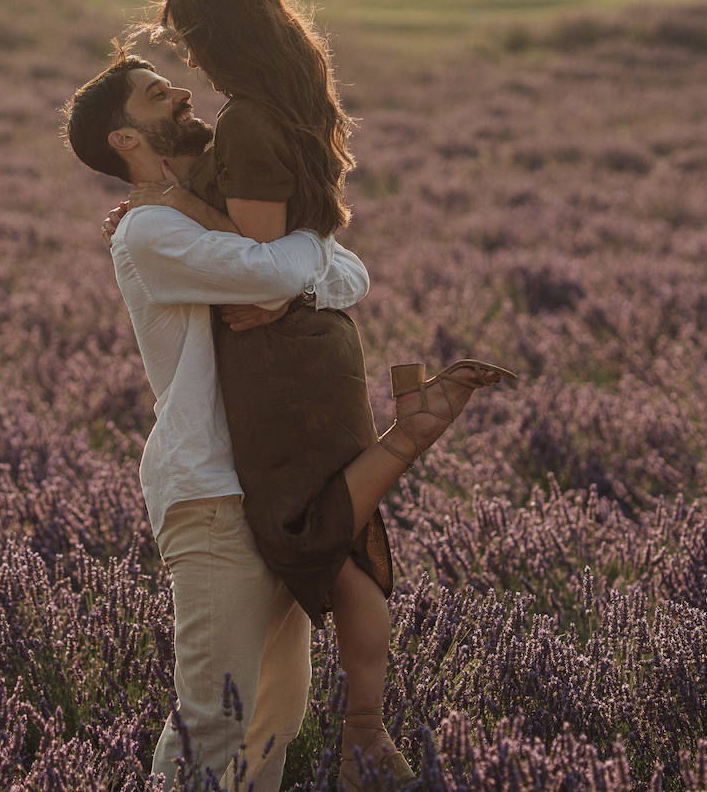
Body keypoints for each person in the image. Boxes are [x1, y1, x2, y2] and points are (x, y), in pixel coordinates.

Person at [65, 47, 512, 789]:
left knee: (272, 720)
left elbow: (349, 272)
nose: (181, 92)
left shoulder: (214, 209)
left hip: (275, 486)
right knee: (215, 721)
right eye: (155, 94)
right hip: (213, 494)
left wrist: (298, 265)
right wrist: (302, 254)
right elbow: (299, 266)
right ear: (125, 139)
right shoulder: (147, 232)